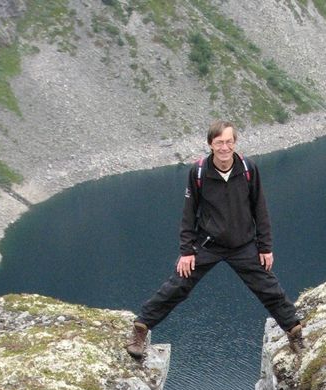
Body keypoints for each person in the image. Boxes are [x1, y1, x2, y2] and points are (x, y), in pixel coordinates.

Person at [126, 120, 304, 359]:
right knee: (178, 285)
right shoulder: (199, 172)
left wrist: (265, 247)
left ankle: (295, 334)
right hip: (207, 244)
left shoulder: (248, 169)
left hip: (243, 244)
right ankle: (140, 329)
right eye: (219, 142)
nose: (224, 147)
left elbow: (260, 209)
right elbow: (189, 213)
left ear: (235, 143)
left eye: (229, 142)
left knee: (268, 289)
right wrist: (186, 251)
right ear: (211, 144)